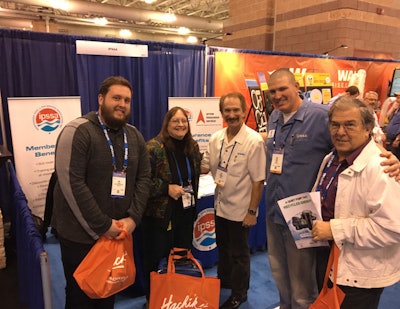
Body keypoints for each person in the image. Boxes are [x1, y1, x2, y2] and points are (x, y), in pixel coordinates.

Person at [264, 68, 400, 309]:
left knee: (303, 289)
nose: (340, 131)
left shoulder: (320, 116)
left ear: (297, 87)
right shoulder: (275, 118)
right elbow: (341, 148)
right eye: (272, 91)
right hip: (283, 214)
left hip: (323, 234)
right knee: (283, 278)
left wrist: (387, 157)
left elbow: (358, 144)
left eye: (283, 88)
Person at [51, 76, 151, 308]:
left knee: (108, 292)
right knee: (81, 296)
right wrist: (103, 225)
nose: (122, 104)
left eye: (127, 100)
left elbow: (144, 179)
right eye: (116, 97)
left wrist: (133, 218)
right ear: (100, 99)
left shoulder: (134, 136)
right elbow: (72, 184)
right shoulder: (77, 131)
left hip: (118, 233)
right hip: (80, 237)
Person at [312, 96, 400, 309]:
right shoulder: (331, 159)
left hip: (359, 272)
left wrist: (334, 229)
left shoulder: (381, 168)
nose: (340, 131)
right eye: (335, 124)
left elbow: (391, 229)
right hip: (330, 258)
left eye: (349, 124)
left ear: (368, 128)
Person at [201, 92, 266, 309]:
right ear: (221, 113)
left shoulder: (254, 140)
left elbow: (258, 180)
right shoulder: (216, 138)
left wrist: (252, 212)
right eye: (227, 110)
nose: (231, 114)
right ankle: (225, 281)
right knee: (224, 248)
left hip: (241, 210)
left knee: (240, 254)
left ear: (243, 110)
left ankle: (240, 294)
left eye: (236, 110)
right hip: (220, 206)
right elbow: (206, 165)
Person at [142, 106, 201, 303]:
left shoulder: (192, 147)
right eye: (175, 121)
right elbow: (142, 182)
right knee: (157, 260)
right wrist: (166, 188)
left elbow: (196, 176)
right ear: (167, 124)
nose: (180, 124)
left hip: (186, 212)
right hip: (160, 216)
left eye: (184, 121)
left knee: (182, 258)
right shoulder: (152, 148)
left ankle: (178, 300)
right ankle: (156, 301)